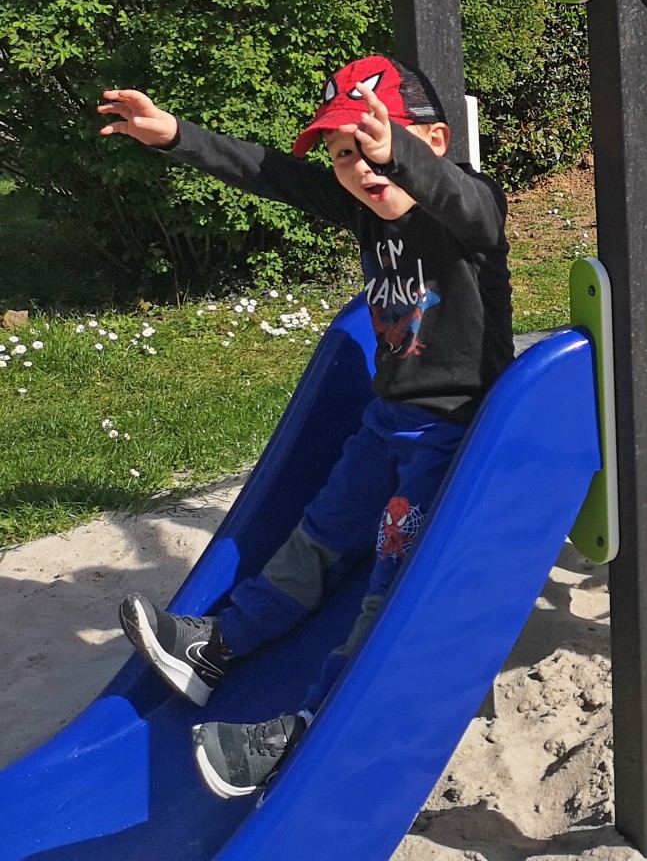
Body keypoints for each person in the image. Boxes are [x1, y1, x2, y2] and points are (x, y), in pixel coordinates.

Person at [98, 57, 511, 796]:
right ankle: (218, 647)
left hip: (453, 440)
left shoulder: (468, 212)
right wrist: (173, 136)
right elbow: (265, 172)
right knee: (316, 537)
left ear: (435, 140)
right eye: (346, 153)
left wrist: (399, 159)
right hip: (386, 421)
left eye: (376, 143)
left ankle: (313, 731)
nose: (362, 166)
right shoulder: (357, 204)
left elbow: (466, 202)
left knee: (391, 580)